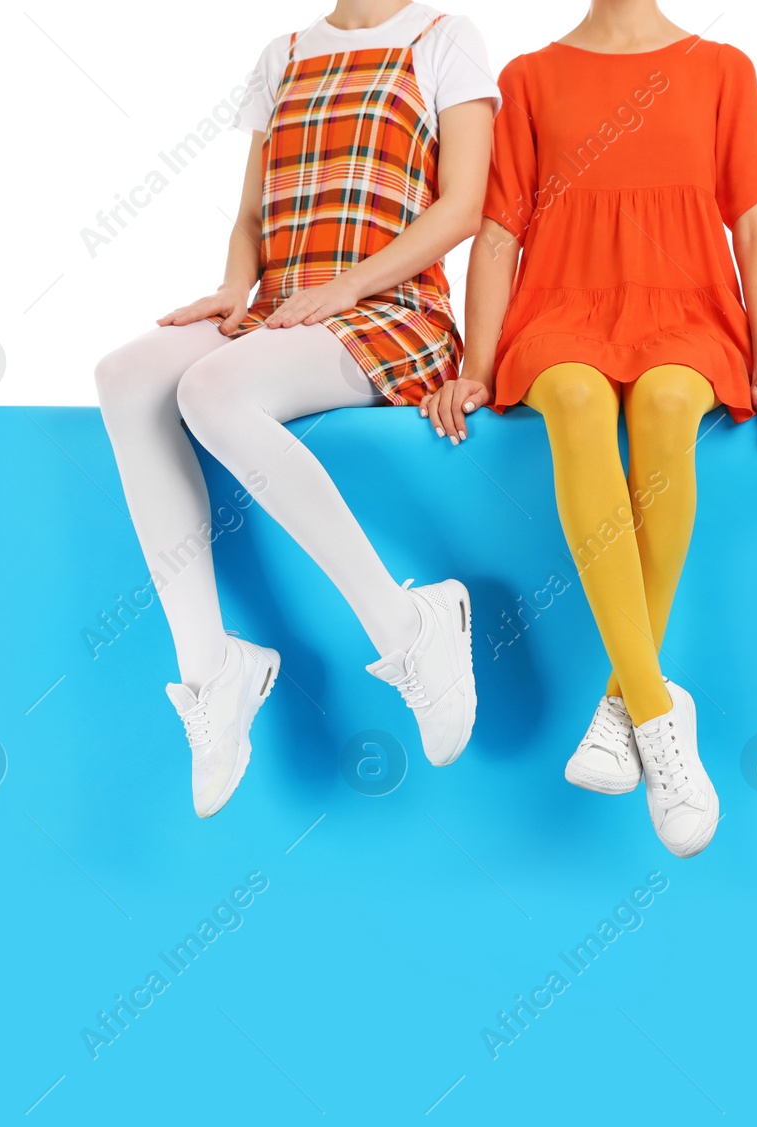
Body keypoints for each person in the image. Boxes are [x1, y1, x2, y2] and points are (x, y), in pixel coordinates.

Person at [424, 1, 757, 857]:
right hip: (562, 307)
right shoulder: (527, 78)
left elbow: (755, 227)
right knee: (574, 398)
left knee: (672, 404)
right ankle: (658, 714)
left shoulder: (723, 68)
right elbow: (496, 237)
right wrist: (478, 367)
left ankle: (621, 703)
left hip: (688, 309)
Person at [93, 0, 496, 817]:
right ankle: (213, 671)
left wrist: (342, 289)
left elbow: (462, 208)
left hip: (389, 310)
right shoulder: (280, 53)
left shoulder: (445, 38)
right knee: (126, 375)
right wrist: (232, 292)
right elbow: (251, 215)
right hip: (280, 308)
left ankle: (409, 624)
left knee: (212, 390)